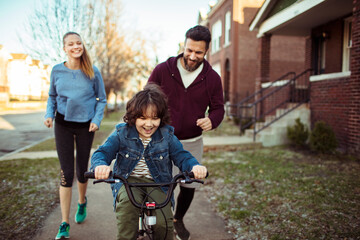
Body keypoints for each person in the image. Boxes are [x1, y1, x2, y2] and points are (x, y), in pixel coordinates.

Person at [90, 83, 207, 240]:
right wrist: (100, 165)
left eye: (154, 118)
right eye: (142, 118)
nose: (149, 124)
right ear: (133, 117)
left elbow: (182, 155)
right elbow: (102, 153)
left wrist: (194, 166)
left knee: (164, 224)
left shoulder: (167, 136)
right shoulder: (121, 133)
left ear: (161, 117)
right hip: (128, 182)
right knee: (127, 211)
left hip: (158, 183)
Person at [147, 25, 225, 240]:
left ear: (206, 51)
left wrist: (213, 120)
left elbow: (219, 108)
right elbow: (147, 96)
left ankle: (177, 219)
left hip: (192, 141)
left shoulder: (212, 78)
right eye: (189, 50)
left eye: (198, 52)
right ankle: (153, 222)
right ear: (184, 45)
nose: (192, 56)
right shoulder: (164, 69)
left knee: (188, 184)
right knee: (159, 184)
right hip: (161, 139)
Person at [44, 31, 107, 240]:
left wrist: (96, 120)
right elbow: (52, 96)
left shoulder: (92, 71)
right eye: (70, 44)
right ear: (64, 48)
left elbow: (102, 99)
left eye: (78, 43)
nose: (75, 47)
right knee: (66, 172)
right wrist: (49, 115)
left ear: (82, 46)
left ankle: (82, 202)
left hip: (85, 126)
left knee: (82, 170)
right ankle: (64, 223)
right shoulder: (57, 71)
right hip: (62, 123)